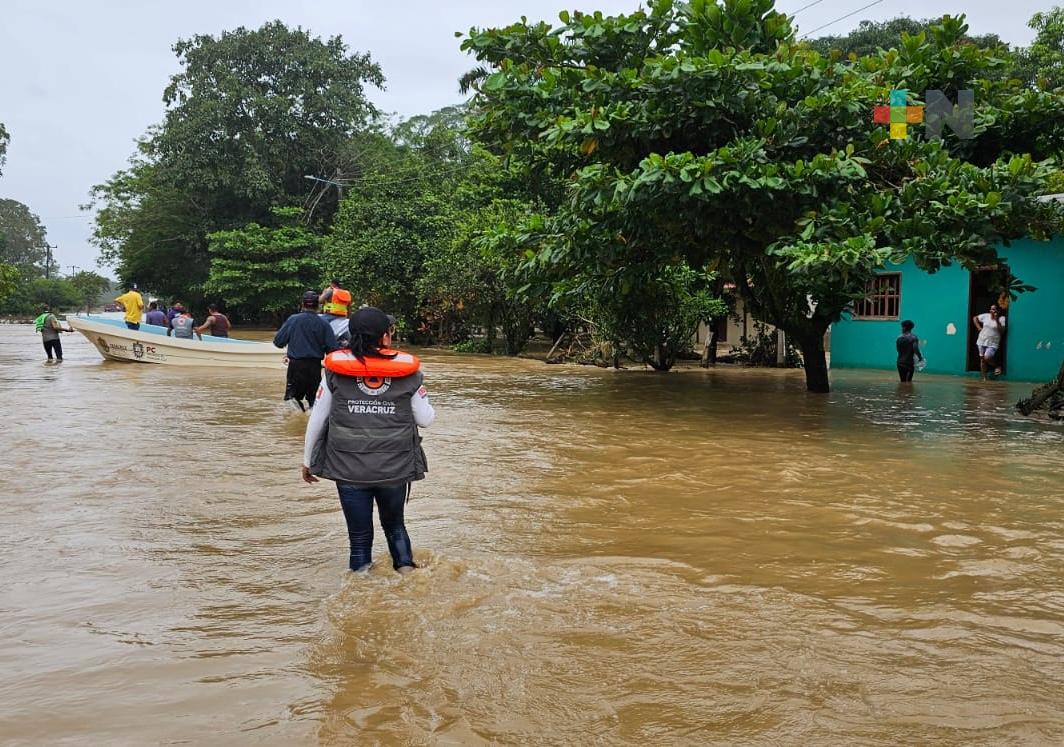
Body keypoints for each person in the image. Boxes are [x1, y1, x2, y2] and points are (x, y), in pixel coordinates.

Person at [302, 306, 435, 574]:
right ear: (385, 336)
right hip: (394, 468)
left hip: (348, 469)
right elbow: (425, 419)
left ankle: (361, 584)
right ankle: (407, 575)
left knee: (359, 538)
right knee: (395, 526)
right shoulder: (409, 374)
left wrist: (307, 461)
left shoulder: (333, 372)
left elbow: (317, 418)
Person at [274, 291, 339, 411]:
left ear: (302, 304)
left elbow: (278, 342)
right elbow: (333, 350)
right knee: (315, 403)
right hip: (315, 368)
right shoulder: (324, 323)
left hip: (296, 367)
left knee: (292, 400)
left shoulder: (293, 320)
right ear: (318, 305)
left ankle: (298, 419)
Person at [973, 303, 1007, 380]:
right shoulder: (986, 316)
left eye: (994, 309)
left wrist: (997, 320)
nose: (991, 311)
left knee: (987, 357)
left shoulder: (1002, 319)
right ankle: (984, 378)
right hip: (981, 340)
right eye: (991, 309)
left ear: (998, 311)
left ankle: (997, 366)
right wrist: (978, 327)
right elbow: (975, 318)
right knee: (982, 360)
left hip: (993, 343)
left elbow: (1002, 331)